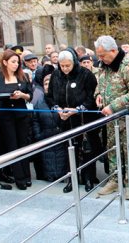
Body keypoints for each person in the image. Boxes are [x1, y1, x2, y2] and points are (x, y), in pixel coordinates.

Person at [94, 35, 129, 197]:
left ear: (114, 50)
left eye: (102, 55)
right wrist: (98, 95)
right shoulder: (104, 66)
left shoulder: (128, 65)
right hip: (111, 119)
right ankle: (115, 180)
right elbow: (100, 84)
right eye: (98, 55)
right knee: (113, 149)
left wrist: (114, 105)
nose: (100, 59)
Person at [46, 48, 101, 193]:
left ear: (74, 63)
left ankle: (89, 178)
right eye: (62, 65)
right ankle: (72, 179)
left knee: (86, 149)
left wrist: (77, 109)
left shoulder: (85, 74)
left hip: (83, 119)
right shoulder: (55, 75)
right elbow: (50, 96)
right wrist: (57, 109)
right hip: (64, 120)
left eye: (67, 66)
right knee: (69, 150)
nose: (65, 69)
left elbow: (92, 97)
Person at [0, 49, 33, 190]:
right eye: (13, 62)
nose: (16, 65)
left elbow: (30, 95)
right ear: (5, 62)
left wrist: (21, 95)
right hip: (5, 117)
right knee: (12, 146)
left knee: (23, 145)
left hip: (21, 115)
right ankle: (19, 177)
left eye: (17, 62)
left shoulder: (23, 76)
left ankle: (27, 176)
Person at [32, 72, 68, 182]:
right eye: (46, 83)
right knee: (48, 158)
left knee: (61, 158)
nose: (48, 86)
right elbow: (35, 120)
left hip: (60, 136)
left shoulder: (63, 100)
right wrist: (38, 134)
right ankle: (50, 177)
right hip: (45, 135)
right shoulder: (39, 102)